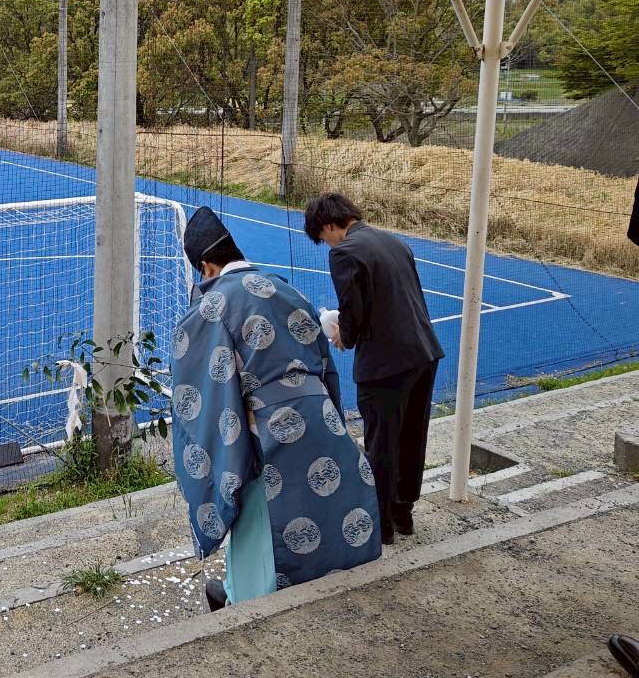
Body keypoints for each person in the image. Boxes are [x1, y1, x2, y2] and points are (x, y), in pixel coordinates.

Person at [172, 206, 381, 610]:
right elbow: (325, 365)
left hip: (264, 431)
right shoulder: (286, 288)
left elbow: (199, 392)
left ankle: (246, 598)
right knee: (320, 503)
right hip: (319, 414)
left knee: (262, 520)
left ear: (207, 266)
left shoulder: (211, 307)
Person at [303, 192, 444, 545]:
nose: (326, 244)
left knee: (381, 442)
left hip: (386, 362)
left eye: (323, 237)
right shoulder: (394, 241)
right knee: (412, 435)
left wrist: (342, 335)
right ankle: (403, 513)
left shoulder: (345, 251)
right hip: (423, 352)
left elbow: (354, 307)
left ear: (329, 225)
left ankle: (380, 526)